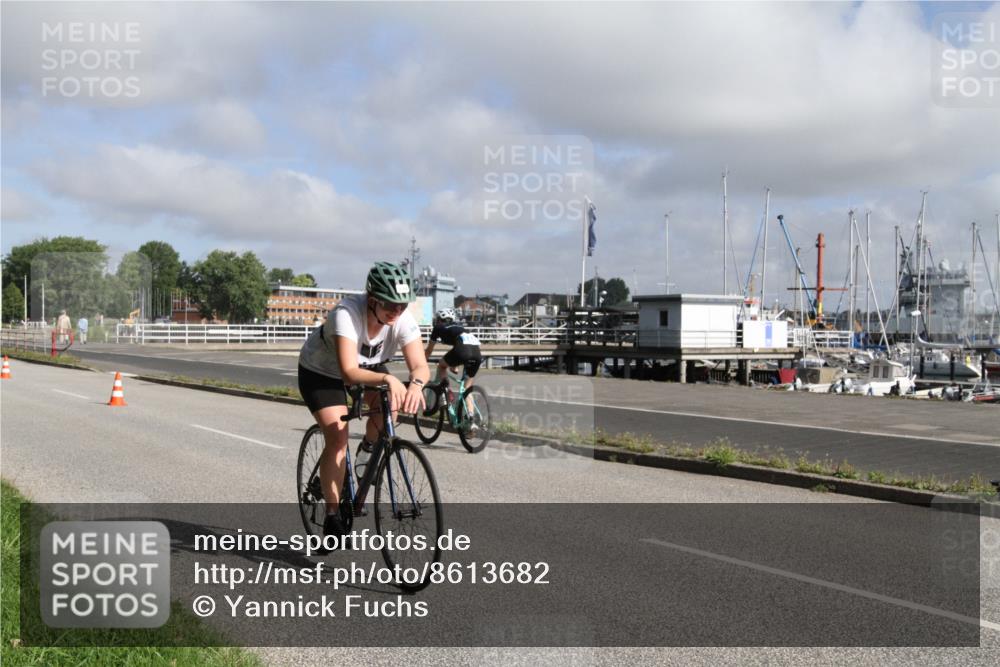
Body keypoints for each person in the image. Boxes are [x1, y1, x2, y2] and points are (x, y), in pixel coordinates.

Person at [297, 262, 429, 540]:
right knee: (337, 437)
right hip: (323, 372)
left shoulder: (402, 319)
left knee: (390, 407)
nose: (397, 311)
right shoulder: (346, 314)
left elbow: (420, 365)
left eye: (402, 306)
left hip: (369, 367)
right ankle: (332, 514)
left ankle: (367, 450)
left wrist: (416, 385)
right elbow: (348, 371)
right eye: (390, 305)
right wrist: (388, 380)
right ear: (372, 300)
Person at [424, 307, 483, 402]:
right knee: (466, 389)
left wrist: (422, 362)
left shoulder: (438, 327)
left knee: (442, 366)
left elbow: (429, 350)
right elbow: (462, 347)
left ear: (439, 319)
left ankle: (446, 390)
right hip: (477, 354)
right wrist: (454, 366)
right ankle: (471, 415)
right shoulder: (460, 328)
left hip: (462, 352)